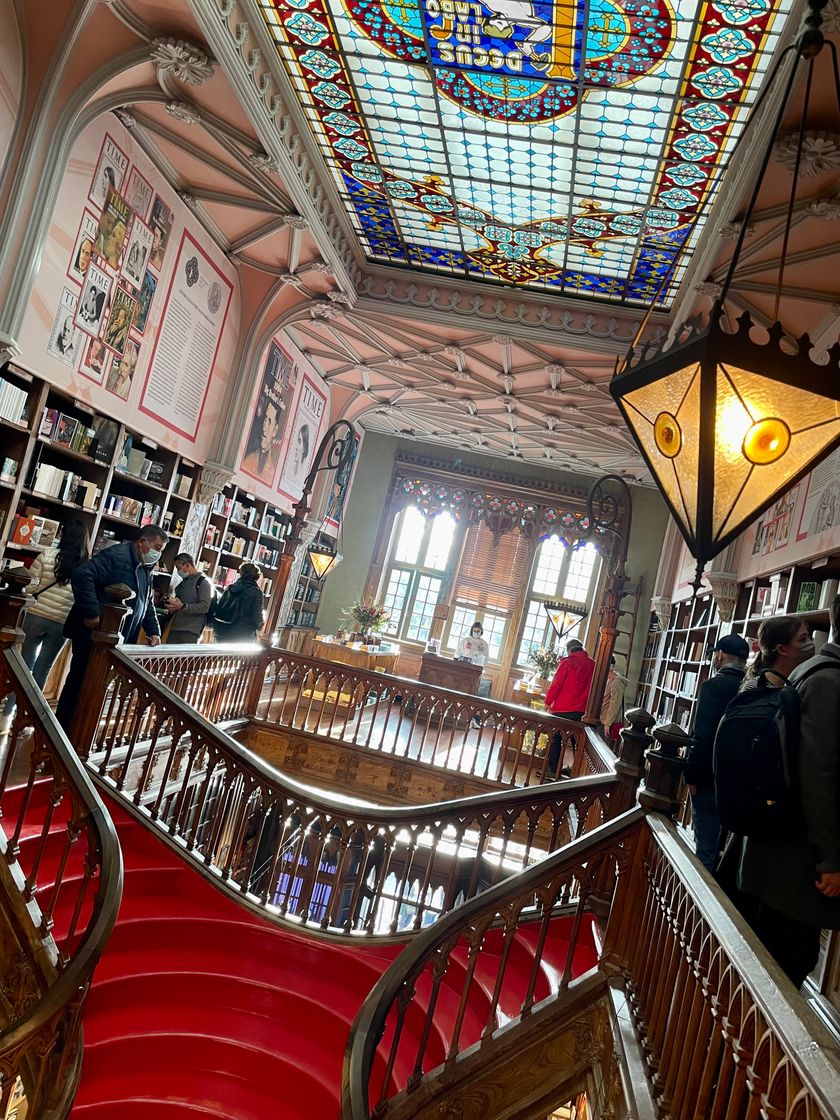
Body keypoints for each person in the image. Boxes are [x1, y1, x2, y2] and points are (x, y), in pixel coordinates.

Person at [735, 613, 838, 987]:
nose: (807, 641)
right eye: (801, 636)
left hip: (776, 849)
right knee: (784, 967)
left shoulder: (806, 671)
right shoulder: (829, 681)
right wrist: (830, 857)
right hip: (794, 860)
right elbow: (818, 774)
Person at [56, 524, 167, 730]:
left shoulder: (145, 567)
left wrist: (153, 631)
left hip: (116, 638)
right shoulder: (116, 555)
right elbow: (82, 575)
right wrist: (91, 612)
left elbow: (146, 602)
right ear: (142, 542)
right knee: (79, 683)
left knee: (97, 687)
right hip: (93, 634)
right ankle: (62, 730)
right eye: (157, 548)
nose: (158, 554)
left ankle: (80, 730)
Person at [683, 633, 750, 871]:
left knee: (705, 849)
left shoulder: (713, 686)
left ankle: (694, 905)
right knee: (727, 851)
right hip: (741, 780)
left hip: (709, 777)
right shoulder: (751, 688)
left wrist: (692, 775)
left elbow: (703, 734)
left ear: (720, 656)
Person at [19, 520, 90, 689]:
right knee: (43, 669)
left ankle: (10, 709)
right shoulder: (87, 566)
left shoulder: (46, 555)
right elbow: (83, 596)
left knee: (23, 666)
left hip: (36, 614)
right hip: (63, 622)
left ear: (63, 536)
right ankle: (32, 712)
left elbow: (31, 586)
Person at [544, 638, 595, 777]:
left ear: (569, 650)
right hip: (581, 710)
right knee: (577, 744)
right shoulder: (593, 665)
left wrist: (548, 702)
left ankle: (553, 771)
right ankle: (577, 773)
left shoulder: (567, 663)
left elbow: (556, 684)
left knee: (555, 740)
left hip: (562, 708)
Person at [165, 554, 213, 644]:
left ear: (187, 565)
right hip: (176, 626)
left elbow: (205, 607)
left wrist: (183, 606)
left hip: (191, 629)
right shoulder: (182, 583)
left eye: (179, 568)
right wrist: (173, 607)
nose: (178, 571)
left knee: (183, 657)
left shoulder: (204, 582)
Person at [212, 562, 264, 642]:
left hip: (221, 630)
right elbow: (257, 617)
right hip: (242, 634)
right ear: (256, 576)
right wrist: (260, 625)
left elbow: (219, 606)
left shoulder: (230, 587)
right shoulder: (256, 592)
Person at [242, 399, 280, 481]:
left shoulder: (273, 473)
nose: (264, 428)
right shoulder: (249, 459)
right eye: (265, 419)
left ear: (275, 430)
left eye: (269, 422)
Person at [600, 655, 628, 743]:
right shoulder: (607, 679)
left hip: (608, 722)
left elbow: (614, 704)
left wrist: (607, 724)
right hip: (602, 719)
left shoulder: (616, 681)